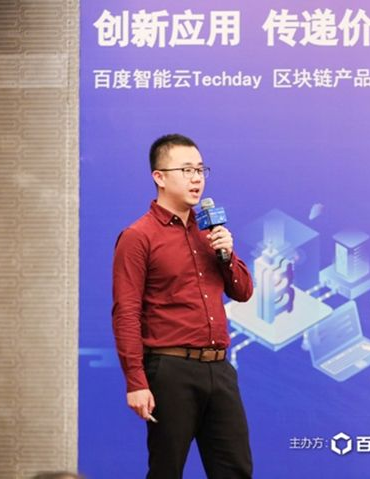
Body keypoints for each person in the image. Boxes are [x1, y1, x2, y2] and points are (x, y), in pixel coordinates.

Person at [112, 134, 254, 479]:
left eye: (201, 170)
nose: (196, 178)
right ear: (159, 177)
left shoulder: (210, 232)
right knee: (167, 470)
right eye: (186, 170)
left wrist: (227, 253)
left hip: (219, 368)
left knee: (236, 470)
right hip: (170, 370)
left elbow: (243, 292)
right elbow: (126, 312)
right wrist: (136, 381)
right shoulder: (138, 236)